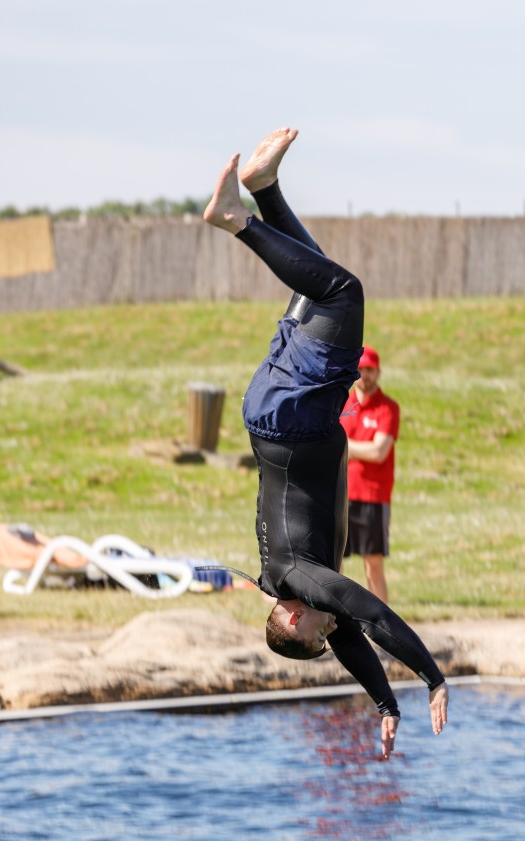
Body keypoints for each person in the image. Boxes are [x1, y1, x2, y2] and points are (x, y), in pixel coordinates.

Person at [203, 128, 448, 758]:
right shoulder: (293, 584)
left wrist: (431, 676)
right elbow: (348, 637)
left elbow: (366, 613)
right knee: (319, 289)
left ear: (291, 617)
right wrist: (385, 703)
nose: (329, 630)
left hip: (296, 418)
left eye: (316, 633)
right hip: (277, 414)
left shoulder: (300, 578)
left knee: (344, 292)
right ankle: (266, 191)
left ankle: (238, 221)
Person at [341, 345, 400, 602]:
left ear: (378, 372)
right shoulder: (343, 403)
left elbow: (379, 452)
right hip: (341, 493)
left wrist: (345, 446)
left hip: (373, 495)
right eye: (361, 369)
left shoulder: (387, 408)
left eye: (370, 369)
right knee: (333, 565)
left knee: (373, 566)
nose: (365, 375)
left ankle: (381, 629)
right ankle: (335, 623)